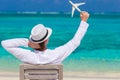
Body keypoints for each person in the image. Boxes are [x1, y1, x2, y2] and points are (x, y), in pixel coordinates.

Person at [1, 11, 89, 64]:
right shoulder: (56, 54)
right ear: (46, 40)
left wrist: (27, 43)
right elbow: (75, 42)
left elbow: (4, 43)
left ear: (33, 41)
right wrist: (83, 21)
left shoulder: (27, 56)